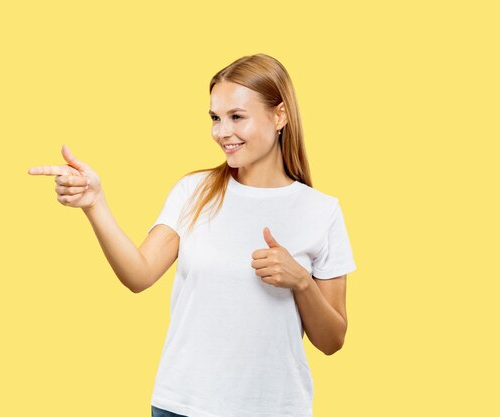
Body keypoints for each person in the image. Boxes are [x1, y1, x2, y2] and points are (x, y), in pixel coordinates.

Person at [28, 53, 357, 417]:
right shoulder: (194, 191)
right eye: (215, 118)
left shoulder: (321, 211)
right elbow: (138, 275)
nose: (221, 132)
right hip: (183, 406)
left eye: (236, 117)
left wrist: (302, 283)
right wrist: (95, 204)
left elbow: (332, 341)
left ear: (279, 116)